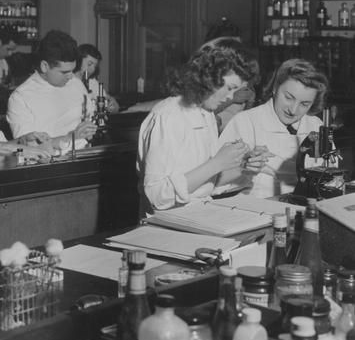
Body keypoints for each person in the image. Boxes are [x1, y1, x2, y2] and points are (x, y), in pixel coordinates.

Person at [137, 38, 267, 215]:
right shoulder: (170, 115)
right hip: (164, 226)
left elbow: (205, 187)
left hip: (198, 215)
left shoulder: (206, 114)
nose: (231, 97)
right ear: (208, 76)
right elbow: (157, 195)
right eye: (229, 87)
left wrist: (242, 165)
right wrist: (217, 163)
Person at [219, 58, 329, 199]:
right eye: (289, 98)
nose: (293, 110)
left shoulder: (315, 125)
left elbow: (328, 175)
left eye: (305, 104)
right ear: (275, 88)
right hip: (256, 208)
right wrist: (244, 166)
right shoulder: (246, 121)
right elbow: (216, 180)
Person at [6, 30, 97, 149]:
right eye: (64, 72)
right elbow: (27, 148)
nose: (71, 76)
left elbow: (91, 117)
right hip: (50, 163)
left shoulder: (75, 83)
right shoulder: (20, 98)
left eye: (72, 70)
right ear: (45, 66)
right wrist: (70, 137)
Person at [76, 43, 119, 114]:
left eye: (95, 66)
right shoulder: (69, 81)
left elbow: (110, 102)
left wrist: (112, 105)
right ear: (78, 61)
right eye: (89, 64)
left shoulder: (92, 82)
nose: (92, 69)